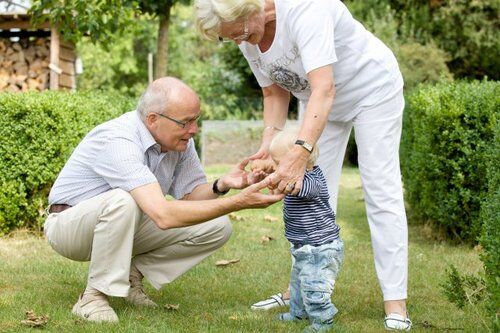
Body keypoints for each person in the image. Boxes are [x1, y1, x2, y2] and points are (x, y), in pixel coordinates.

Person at [195, 0, 412, 330]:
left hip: (371, 90)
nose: (240, 42)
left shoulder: (306, 9)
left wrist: (300, 151)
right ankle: (304, 292)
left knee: (380, 190)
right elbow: (274, 93)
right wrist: (268, 149)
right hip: (319, 104)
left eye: (239, 32)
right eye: (231, 39)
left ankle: (396, 303)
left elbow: (325, 86)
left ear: (250, 6)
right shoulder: (245, 34)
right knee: (310, 195)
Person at [43, 76, 284, 323]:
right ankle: (92, 298)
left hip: (125, 223)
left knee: (217, 226)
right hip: (70, 227)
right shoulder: (119, 139)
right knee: (121, 200)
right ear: (153, 119)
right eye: (186, 122)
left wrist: (221, 185)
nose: (194, 130)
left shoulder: (179, 141)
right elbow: (163, 215)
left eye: (196, 120)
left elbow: (191, 197)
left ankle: (131, 277)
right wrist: (239, 202)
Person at [268, 128, 344, 332]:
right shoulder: (296, 179)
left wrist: (273, 181)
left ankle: (323, 321)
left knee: (314, 287)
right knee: (298, 285)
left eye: (278, 163)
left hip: (321, 249)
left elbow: (297, 188)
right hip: (304, 247)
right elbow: (282, 187)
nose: (275, 168)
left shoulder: (313, 181)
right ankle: (298, 313)